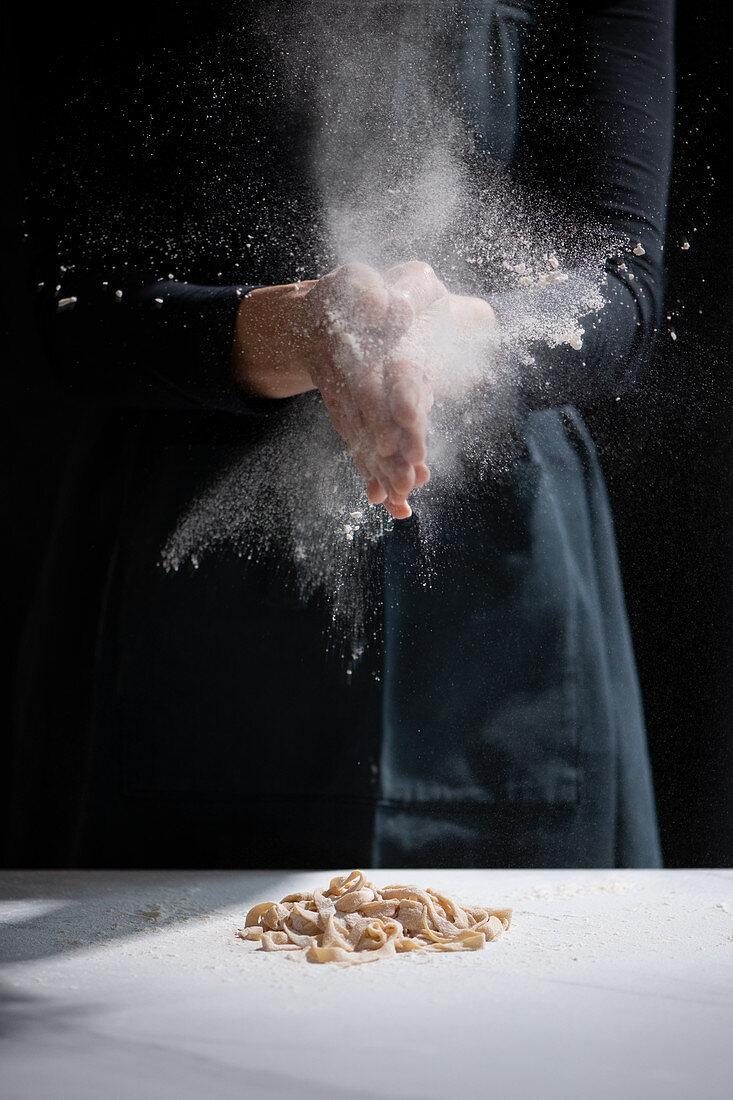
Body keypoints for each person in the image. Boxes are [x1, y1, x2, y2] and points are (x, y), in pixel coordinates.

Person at [8, 0, 674, 869]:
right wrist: (297, 330)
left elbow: (618, 282)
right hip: (184, 568)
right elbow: (71, 305)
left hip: (505, 580)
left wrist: (450, 340)